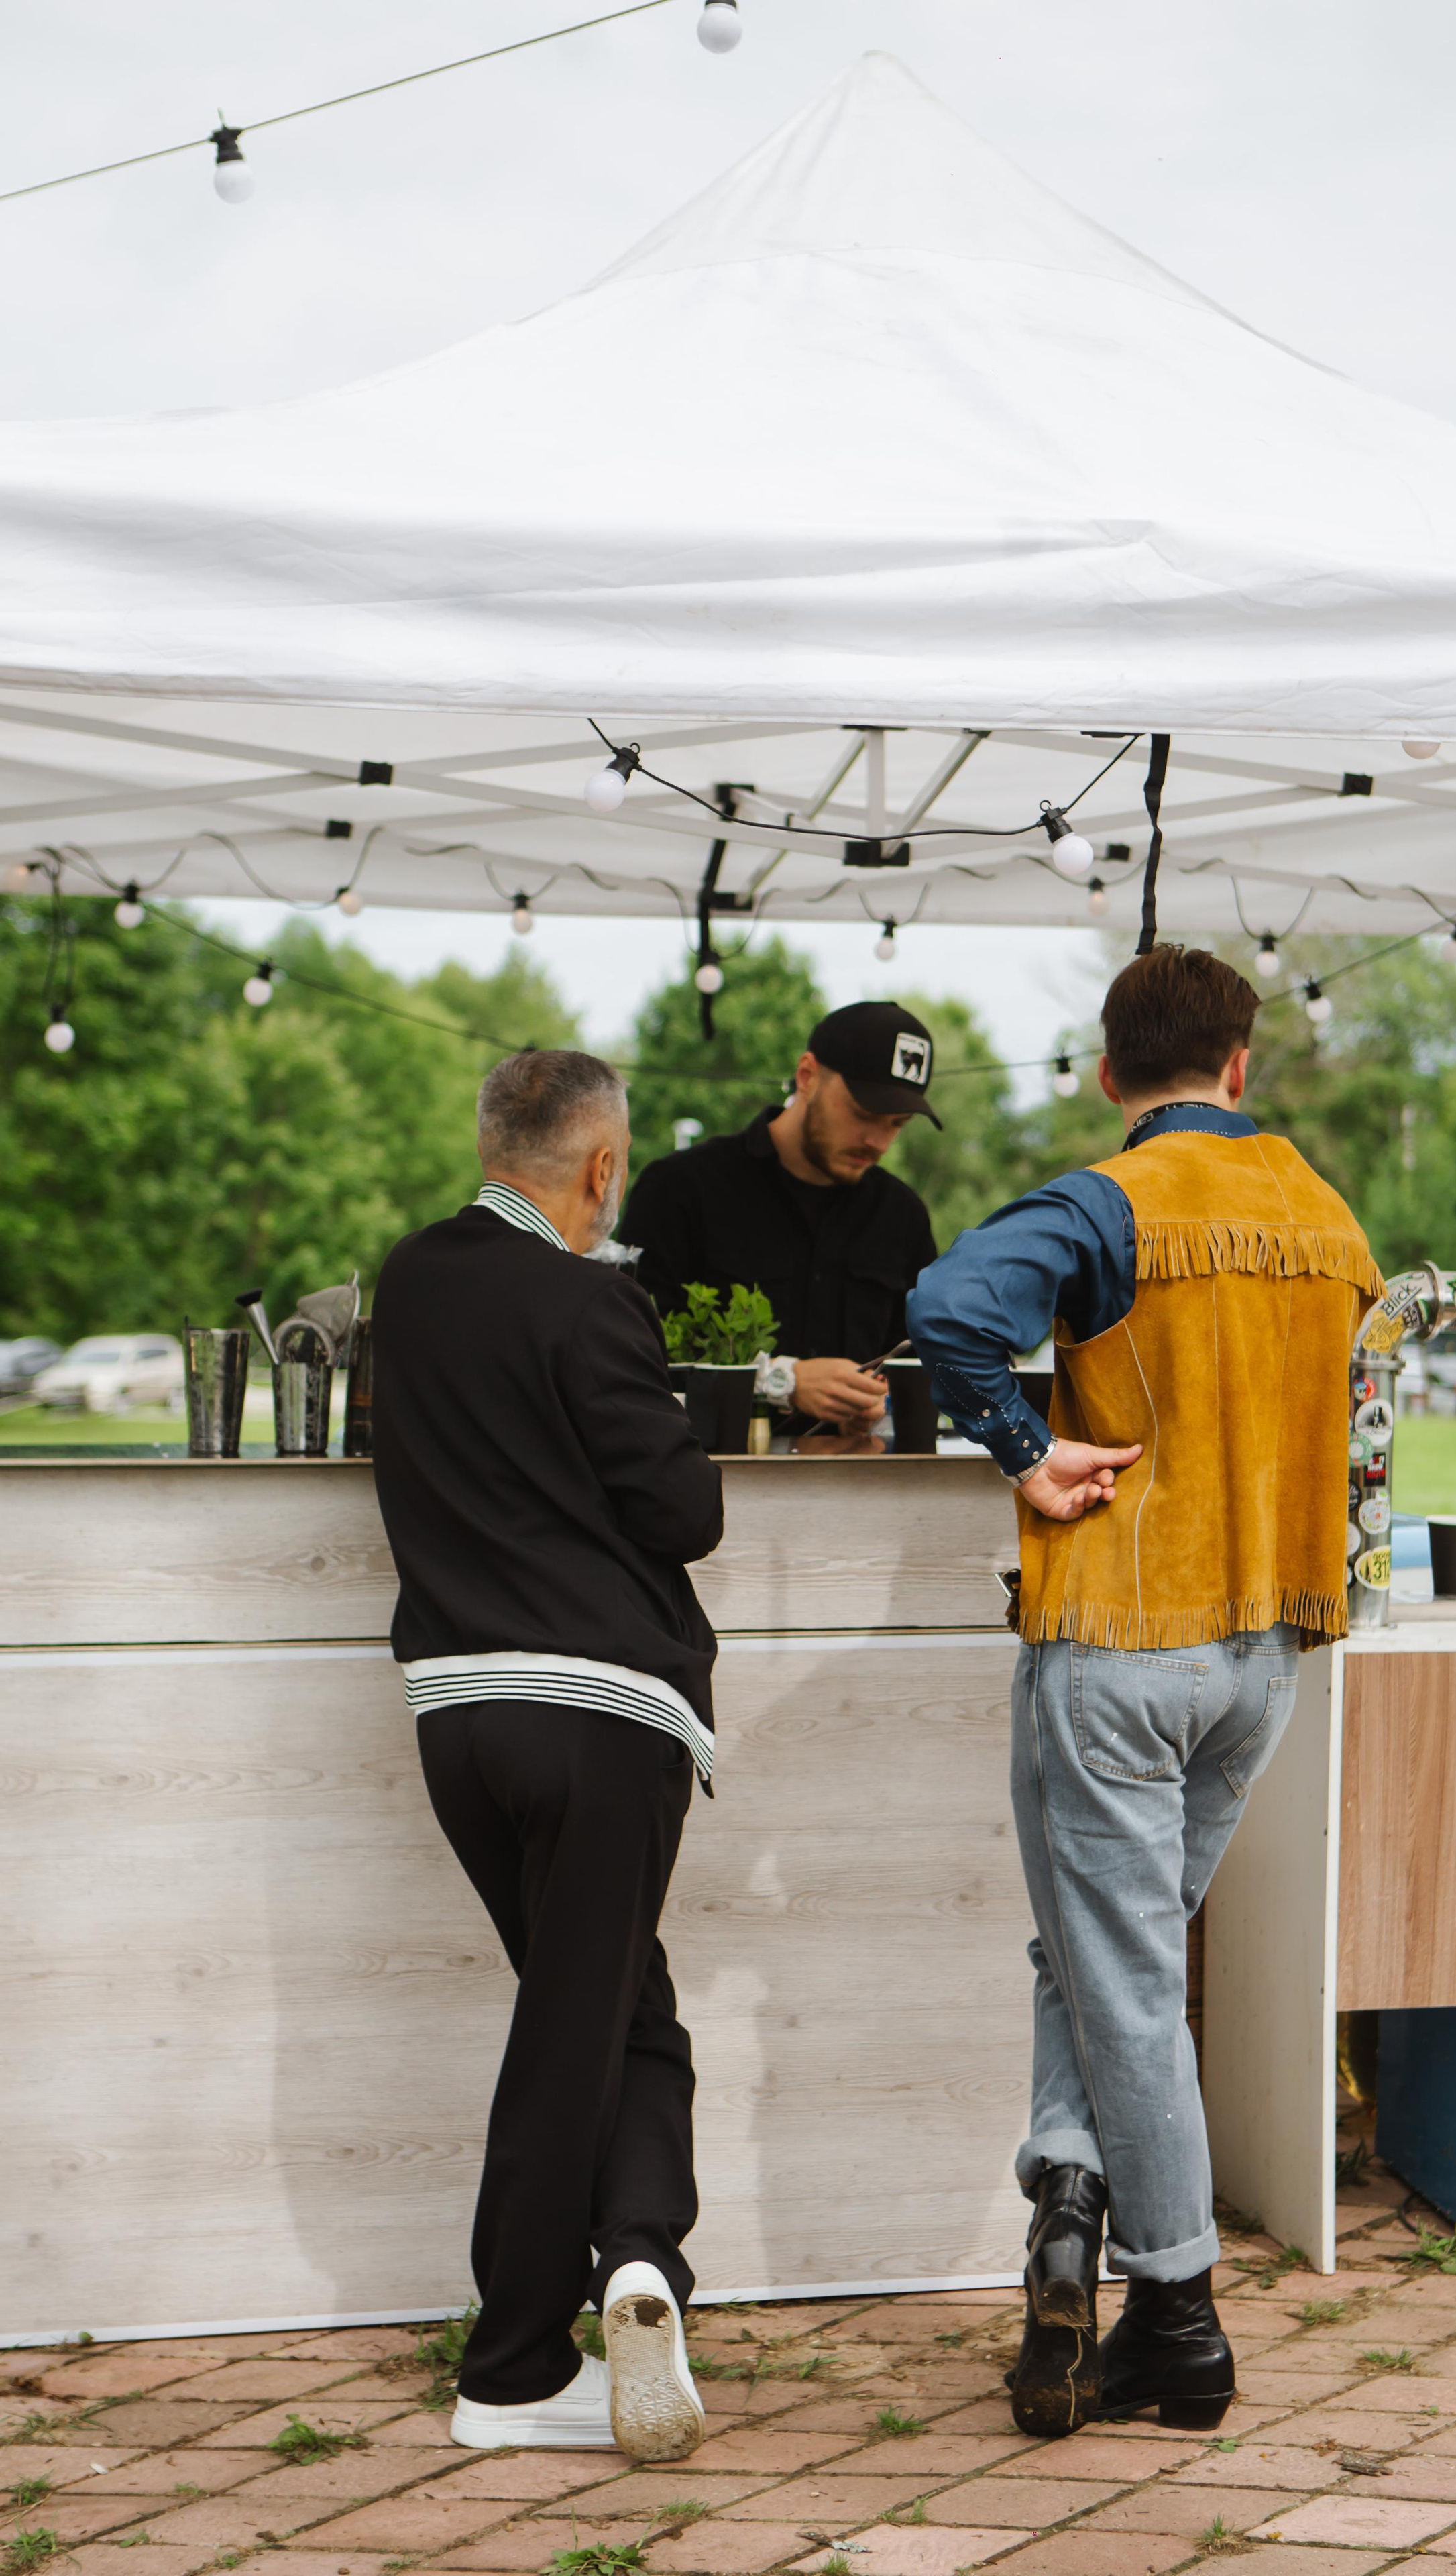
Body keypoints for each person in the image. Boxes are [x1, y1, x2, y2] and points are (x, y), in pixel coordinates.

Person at [907, 947, 1381, 2440]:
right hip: (1266, 1652)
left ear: (1111, 1075)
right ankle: (1067, 2202)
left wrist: (1021, 1449)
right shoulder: (1327, 1214)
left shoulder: (1110, 1200)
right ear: (1240, 1067)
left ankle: (1174, 2314)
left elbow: (946, 1306)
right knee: (1094, 1952)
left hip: (1119, 1633)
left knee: (1112, 1974)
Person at [370, 1048, 720, 2463]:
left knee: (620, 2008)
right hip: (598, 1716)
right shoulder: (594, 1301)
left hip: (460, 1718)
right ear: (600, 1167)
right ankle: (510, 2370)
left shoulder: (412, 1279)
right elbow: (684, 1512)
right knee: (576, 2032)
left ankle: (638, 2263)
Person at [624, 1001, 939, 1436]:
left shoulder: (901, 1216)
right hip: (709, 1480)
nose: (878, 1141)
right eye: (864, 1114)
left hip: (861, 1486)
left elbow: (916, 1362)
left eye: (898, 1123)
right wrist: (780, 1381)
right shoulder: (681, 1190)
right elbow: (633, 1353)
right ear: (807, 1075)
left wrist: (879, 1400)